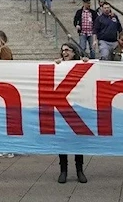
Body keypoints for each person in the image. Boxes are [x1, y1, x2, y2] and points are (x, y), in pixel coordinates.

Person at [54, 42, 88, 184]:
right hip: (62, 108)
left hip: (78, 108)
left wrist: (86, 63)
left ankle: (79, 169)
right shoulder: (59, 66)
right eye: (62, 50)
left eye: (67, 50)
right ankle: (63, 170)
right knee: (62, 140)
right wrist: (55, 65)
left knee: (77, 141)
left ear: (74, 52)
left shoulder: (80, 65)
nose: (64, 53)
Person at [0, 30, 15, 158]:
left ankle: (8, 147)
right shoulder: (0, 51)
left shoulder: (4, 50)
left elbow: (6, 67)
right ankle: (4, 146)